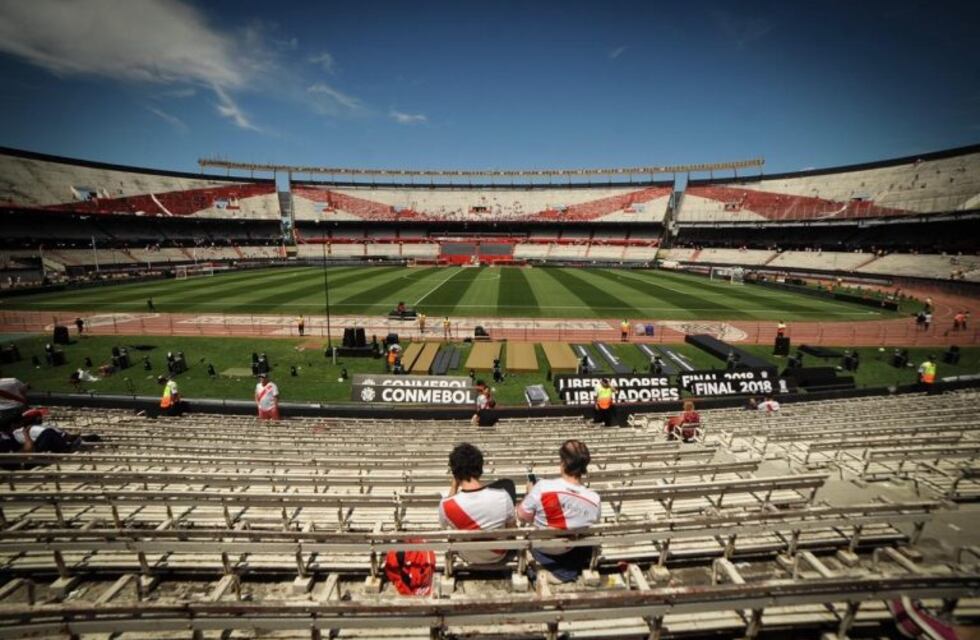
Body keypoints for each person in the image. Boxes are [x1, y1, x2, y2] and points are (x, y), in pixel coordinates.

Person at [517, 440, 601, 583]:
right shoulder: (594, 499)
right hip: (570, 549)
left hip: (542, 548)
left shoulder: (542, 487)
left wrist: (529, 494)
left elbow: (522, 516)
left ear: (563, 463)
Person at [438, 443, 516, 566]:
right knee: (506, 483)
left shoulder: (446, 505)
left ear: (455, 473)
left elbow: (444, 527)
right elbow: (512, 530)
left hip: (467, 555)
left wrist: (454, 486)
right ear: (480, 468)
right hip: (499, 554)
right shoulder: (503, 496)